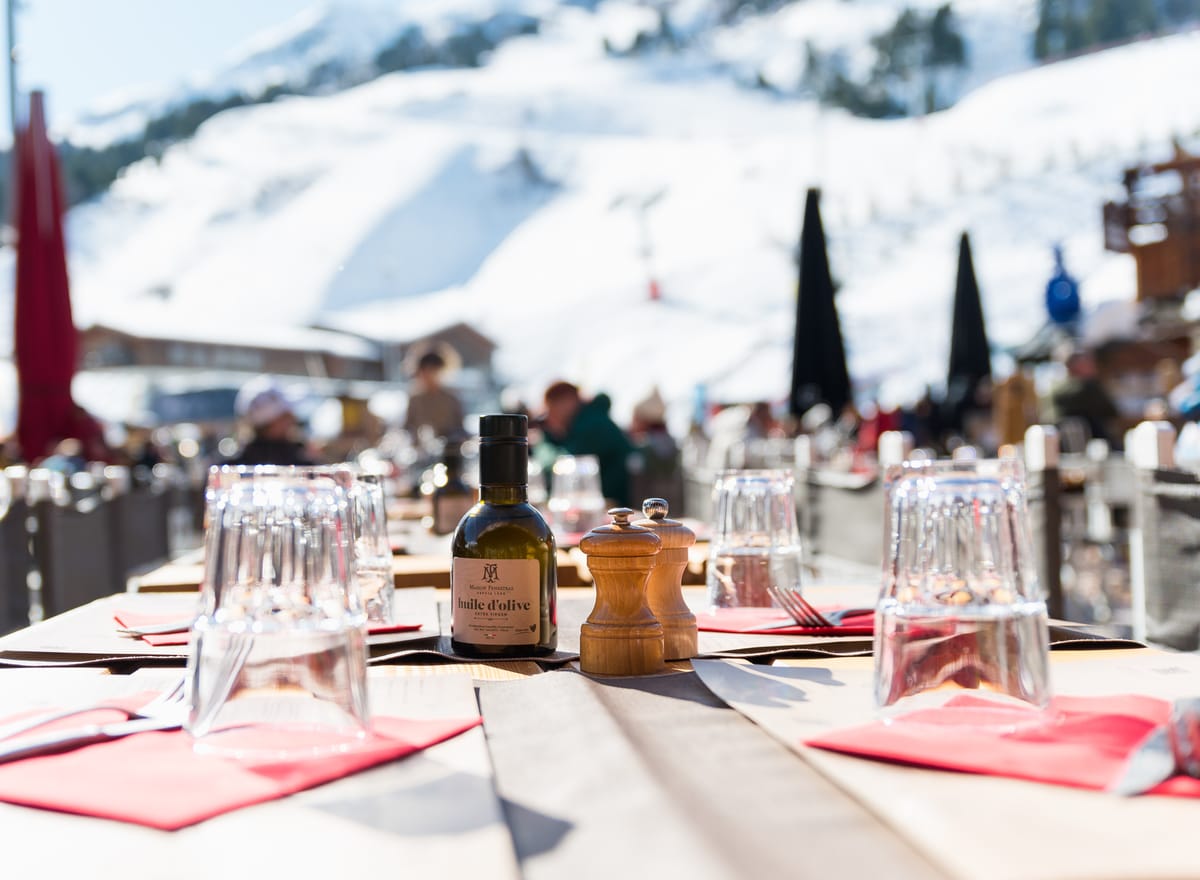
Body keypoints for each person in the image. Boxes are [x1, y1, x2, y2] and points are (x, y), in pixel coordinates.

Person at [534, 381, 635, 507]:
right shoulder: (590, 419)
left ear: (568, 401)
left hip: (614, 506)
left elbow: (563, 468)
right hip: (609, 503)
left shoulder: (592, 425)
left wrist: (544, 440)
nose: (549, 416)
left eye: (551, 408)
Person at [226, 377, 315, 467]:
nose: (293, 418)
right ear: (272, 423)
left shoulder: (233, 464)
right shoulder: (299, 463)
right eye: (285, 414)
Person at [403, 350, 465, 444]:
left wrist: (450, 438)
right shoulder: (415, 400)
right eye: (426, 371)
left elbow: (461, 430)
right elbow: (407, 428)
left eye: (433, 370)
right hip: (421, 449)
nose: (430, 376)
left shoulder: (451, 399)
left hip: (447, 448)